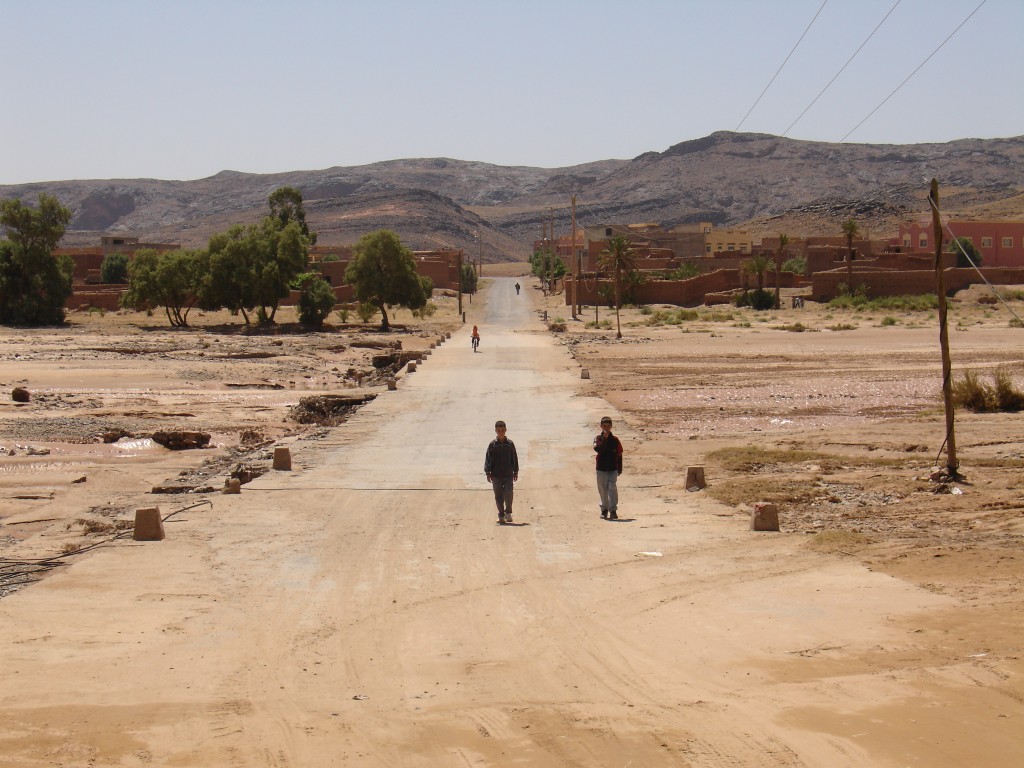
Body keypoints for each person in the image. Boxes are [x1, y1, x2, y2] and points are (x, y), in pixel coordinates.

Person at [484, 420, 519, 524]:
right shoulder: (492, 445)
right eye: (499, 430)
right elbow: (488, 459)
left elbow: (514, 458)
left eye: (502, 430)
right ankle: (501, 515)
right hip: (496, 475)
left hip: (508, 474)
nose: (501, 432)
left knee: (508, 493)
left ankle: (508, 513)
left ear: (506, 430)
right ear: (495, 431)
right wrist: (488, 472)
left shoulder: (510, 444)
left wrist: (515, 471)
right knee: (498, 495)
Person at [593, 416, 623, 520]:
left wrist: (620, 468)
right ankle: (604, 510)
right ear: (601, 426)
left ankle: (613, 510)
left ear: (611, 427)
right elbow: (598, 449)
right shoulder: (598, 439)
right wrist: (605, 438)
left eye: (608, 426)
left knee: (612, 488)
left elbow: (619, 454)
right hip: (601, 468)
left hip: (612, 468)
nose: (606, 428)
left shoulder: (615, 440)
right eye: (604, 426)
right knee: (602, 489)